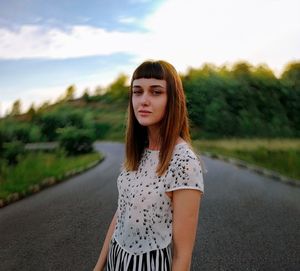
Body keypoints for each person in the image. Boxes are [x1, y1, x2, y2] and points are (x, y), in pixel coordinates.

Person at [93, 60, 205, 271]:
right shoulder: (138, 152)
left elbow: (182, 255)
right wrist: (99, 266)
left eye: (155, 92)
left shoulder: (184, 161)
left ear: (172, 100)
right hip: (117, 259)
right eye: (137, 91)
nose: (143, 100)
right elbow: (122, 213)